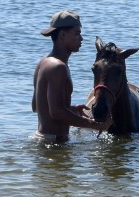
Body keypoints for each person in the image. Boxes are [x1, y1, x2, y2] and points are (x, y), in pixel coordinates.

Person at [32, 10, 111, 143]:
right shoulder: (58, 67)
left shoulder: (43, 62)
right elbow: (56, 113)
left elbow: (36, 106)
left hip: (43, 139)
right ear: (62, 35)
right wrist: (95, 125)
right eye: (77, 33)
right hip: (54, 143)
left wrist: (71, 109)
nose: (81, 38)